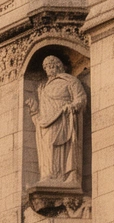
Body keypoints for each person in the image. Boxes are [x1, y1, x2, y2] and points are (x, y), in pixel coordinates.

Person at [26, 56, 87, 185]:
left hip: (63, 119)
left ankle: (65, 176)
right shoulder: (43, 87)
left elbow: (80, 98)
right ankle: (49, 175)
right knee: (47, 147)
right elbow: (43, 108)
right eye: (46, 67)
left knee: (62, 147)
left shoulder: (70, 81)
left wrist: (72, 106)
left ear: (58, 66)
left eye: (51, 66)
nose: (48, 69)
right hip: (46, 123)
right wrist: (34, 109)